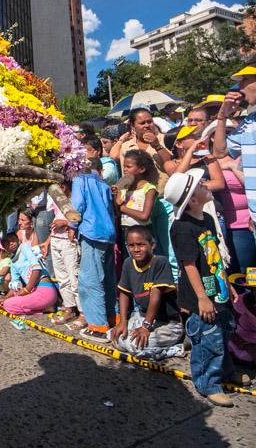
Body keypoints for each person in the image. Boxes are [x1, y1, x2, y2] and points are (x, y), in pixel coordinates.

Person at [165, 169, 242, 407]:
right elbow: (188, 264)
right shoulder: (182, 228)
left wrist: (226, 282)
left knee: (224, 331)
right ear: (193, 199)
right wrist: (202, 298)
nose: (207, 184)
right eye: (201, 184)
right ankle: (208, 382)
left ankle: (225, 373)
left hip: (217, 288)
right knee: (208, 338)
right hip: (201, 296)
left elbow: (215, 255)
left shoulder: (207, 220)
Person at [111, 225, 184, 360]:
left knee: (134, 346)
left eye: (141, 244)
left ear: (152, 245)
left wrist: (146, 327)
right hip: (142, 317)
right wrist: (122, 321)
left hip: (166, 323)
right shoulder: (128, 263)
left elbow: (155, 297)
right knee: (114, 336)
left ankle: (176, 348)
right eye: (131, 245)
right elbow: (124, 293)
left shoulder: (160, 262)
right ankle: (145, 344)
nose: (136, 249)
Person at [70, 158, 117, 342]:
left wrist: (72, 226)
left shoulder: (80, 180)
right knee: (108, 278)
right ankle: (113, 317)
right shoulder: (103, 184)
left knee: (90, 279)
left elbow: (77, 205)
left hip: (91, 231)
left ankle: (98, 326)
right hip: (108, 232)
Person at [213, 61, 256, 236]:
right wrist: (222, 116)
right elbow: (220, 152)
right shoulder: (249, 122)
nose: (239, 87)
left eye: (244, 80)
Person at [43, 191, 82, 326]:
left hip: (69, 241)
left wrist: (65, 222)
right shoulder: (56, 197)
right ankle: (69, 307)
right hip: (55, 239)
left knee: (74, 277)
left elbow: (81, 216)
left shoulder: (76, 197)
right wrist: (48, 241)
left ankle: (82, 312)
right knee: (62, 278)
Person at [0, 231, 58, 317]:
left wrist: (27, 289)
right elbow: (15, 285)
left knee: (8, 305)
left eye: (13, 240)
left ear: (18, 241)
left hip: (44, 290)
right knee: (5, 303)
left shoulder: (24, 247)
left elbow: (37, 268)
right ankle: (45, 308)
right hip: (33, 291)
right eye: (7, 243)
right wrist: (5, 298)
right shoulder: (13, 262)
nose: (11, 243)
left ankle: (44, 307)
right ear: (5, 248)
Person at [113, 149, 159, 239]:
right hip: (125, 230)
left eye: (128, 167)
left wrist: (122, 208)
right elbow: (117, 209)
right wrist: (116, 193)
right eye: (124, 167)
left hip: (142, 231)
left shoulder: (149, 189)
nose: (125, 169)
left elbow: (144, 216)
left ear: (141, 169)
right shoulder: (125, 187)